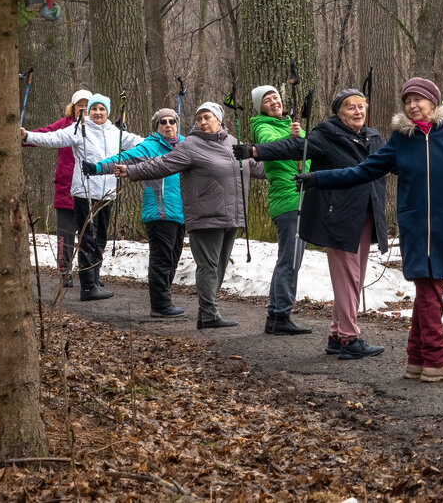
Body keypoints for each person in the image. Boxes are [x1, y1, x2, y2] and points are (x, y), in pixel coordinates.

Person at [296, 77, 443, 381]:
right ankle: (437, 360)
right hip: (415, 226)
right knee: (429, 291)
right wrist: (320, 179)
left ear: (434, 102)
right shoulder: (400, 140)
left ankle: (417, 359)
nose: (412, 105)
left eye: (418, 99)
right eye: (407, 101)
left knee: (429, 291)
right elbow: (363, 171)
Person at [239, 87, 388, 360]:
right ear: (339, 113)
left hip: (368, 215)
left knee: (355, 278)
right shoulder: (327, 134)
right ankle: (348, 338)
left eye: (361, 106)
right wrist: (255, 151)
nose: (358, 111)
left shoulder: (373, 136)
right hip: (339, 214)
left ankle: (336, 334)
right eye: (350, 107)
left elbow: (390, 164)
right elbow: (294, 146)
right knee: (347, 278)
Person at [116, 102, 263, 329]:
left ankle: (209, 311)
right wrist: (133, 170)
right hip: (205, 214)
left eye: (207, 117)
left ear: (219, 119)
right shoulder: (191, 145)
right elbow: (163, 164)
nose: (203, 122)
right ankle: (208, 315)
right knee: (208, 265)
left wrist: (288, 165)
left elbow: (254, 167)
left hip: (232, 214)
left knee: (220, 265)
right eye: (199, 118)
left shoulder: (233, 142)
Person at [22, 93, 142, 301]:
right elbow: (53, 137)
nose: (97, 112)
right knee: (87, 238)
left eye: (101, 109)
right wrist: (28, 136)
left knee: (100, 239)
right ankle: (87, 287)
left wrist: (166, 143)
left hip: (107, 194)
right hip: (85, 192)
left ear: (107, 112)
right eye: (93, 109)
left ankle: (94, 278)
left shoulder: (115, 132)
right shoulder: (78, 129)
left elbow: (141, 144)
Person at [90, 108, 186, 318]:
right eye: (163, 122)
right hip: (159, 211)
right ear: (157, 127)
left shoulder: (186, 145)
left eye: (172, 121)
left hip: (182, 212)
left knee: (173, 258)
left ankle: (164, 298)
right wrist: (96, 168)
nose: (168, 125)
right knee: (161, 259)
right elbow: (123, 158)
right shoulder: (149, 147)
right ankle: (160, 305)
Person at [246, 84, 310, 336]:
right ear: (260, 107)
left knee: (291, 259)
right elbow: (270, 145)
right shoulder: (261, 125)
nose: (274, 102)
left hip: (303, 198)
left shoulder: (294, 126)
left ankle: (276, 316)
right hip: (287, 198)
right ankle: (280, 314)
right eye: (267, 99)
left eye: (276, 97)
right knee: (289, 260)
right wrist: (292, 138)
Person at [24, 88, 91, 287]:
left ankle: (91, 274)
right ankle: (65, 271)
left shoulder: (99, 127)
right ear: (73, 107)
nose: (84, 109)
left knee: (89, 234)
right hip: (66, 187)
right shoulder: (64, 125)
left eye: (88, 105)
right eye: (81, 105)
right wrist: (23, 137)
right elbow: (45, 135)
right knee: (66, 233)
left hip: (91, 189)